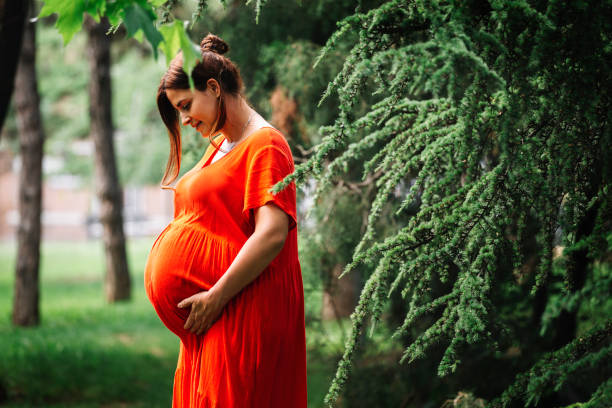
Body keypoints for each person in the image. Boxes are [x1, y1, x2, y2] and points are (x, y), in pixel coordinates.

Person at [144, 33, 307, 407]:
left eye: (186, 106)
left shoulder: (265, 144)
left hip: (242, 309)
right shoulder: (222, 144)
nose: (184, 120)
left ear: (213, 88)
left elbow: (271, 235)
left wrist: (216, 296)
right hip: (215, 317)